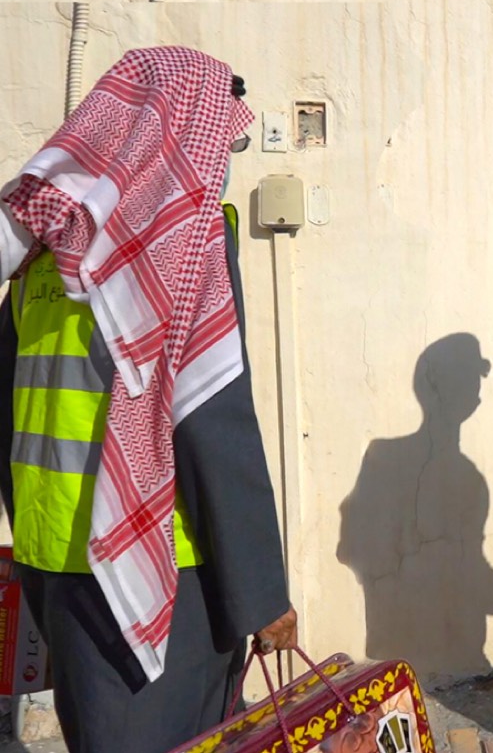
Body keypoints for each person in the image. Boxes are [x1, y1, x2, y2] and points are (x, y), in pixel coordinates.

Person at [0, 48, 295, 752]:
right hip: (159, 565)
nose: (223, 158)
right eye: (222, 139)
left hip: (51, 552)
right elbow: (213, 422)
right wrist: (260, 595)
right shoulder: (181, 245)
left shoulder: (40, 250)